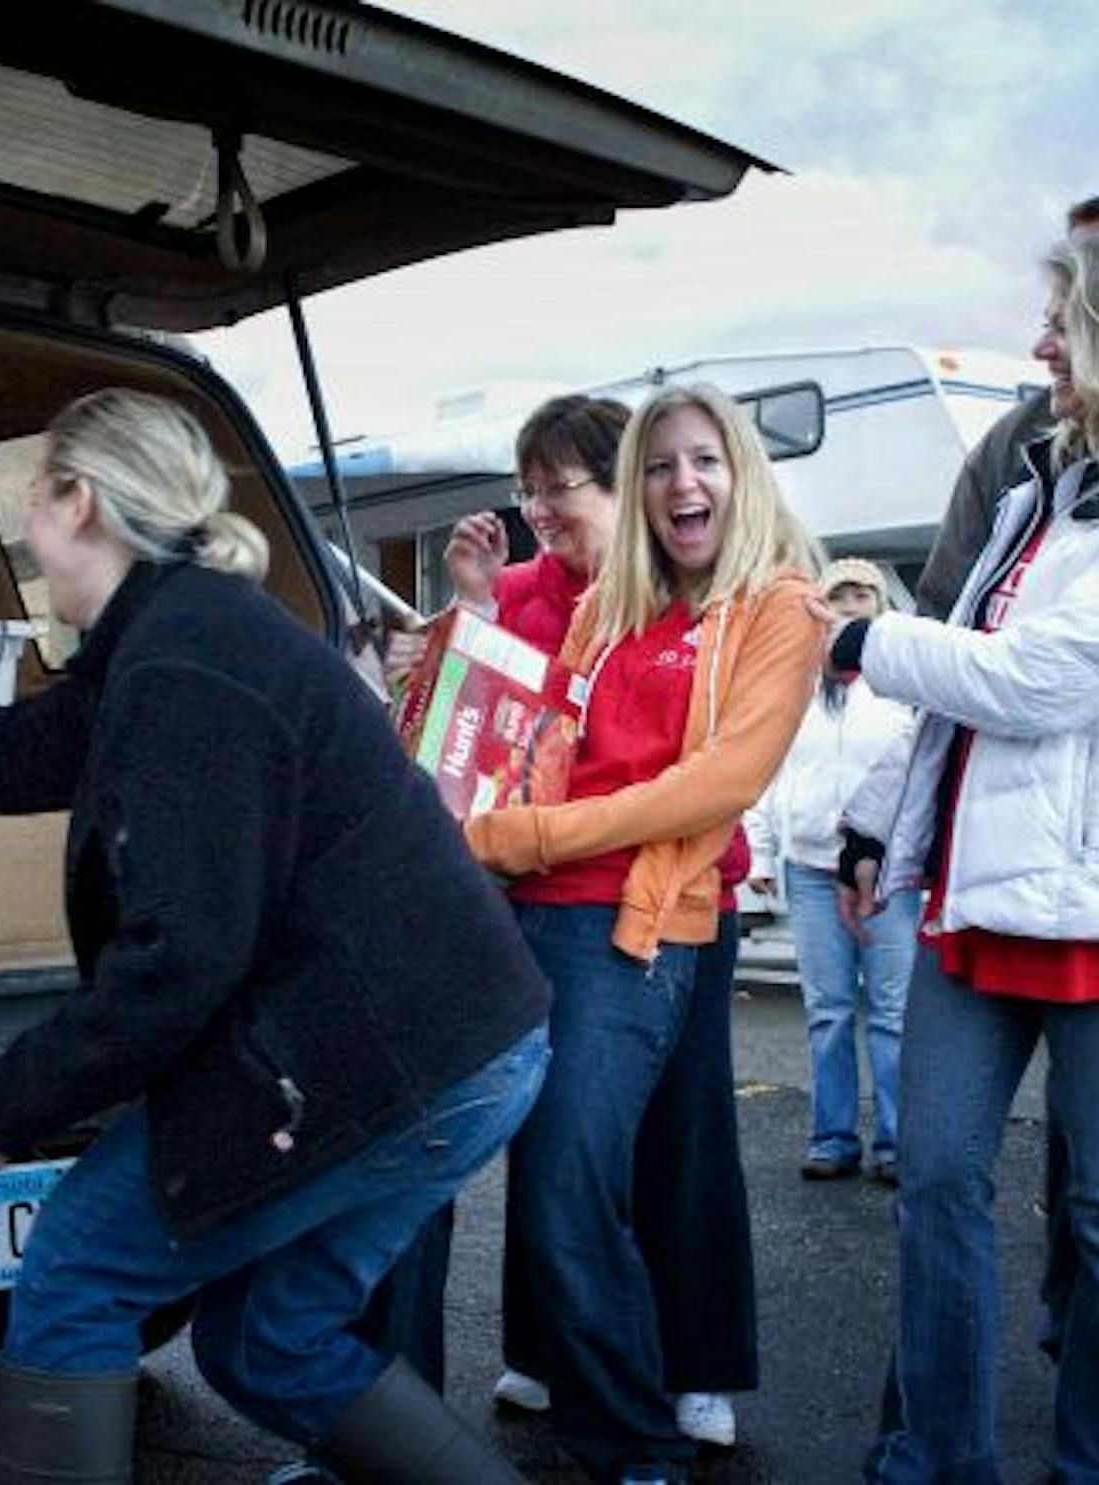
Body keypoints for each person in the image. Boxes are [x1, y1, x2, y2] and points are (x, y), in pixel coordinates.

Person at [0, 388, 552, 1485]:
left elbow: (183, 959)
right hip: (464, 1046)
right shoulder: (166, 636)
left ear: (85, 503)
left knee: (72, 1278)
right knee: (265, 1344)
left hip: (387, 1053)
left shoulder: (186, 665)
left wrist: (17, 1095)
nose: (29, 541)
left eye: (32, 512)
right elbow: (14, 749)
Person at [837, 224, 1099, 1481]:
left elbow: (1039, 682)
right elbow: (954, 701)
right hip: (983, 896)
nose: (1042, 345)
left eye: (1065, 323)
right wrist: (874, 816)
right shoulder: (1041, 493)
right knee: (935, 1184)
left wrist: (861, 642)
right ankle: (936, 1456)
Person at [462, 382, 824, 1485]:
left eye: (703, 461)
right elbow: (544, 735)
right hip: (531, 907)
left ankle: (636, 1431)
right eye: (660, 466)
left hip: (639, 922)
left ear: (741, 474)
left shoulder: (780, 605)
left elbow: (718, 783)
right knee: (553, 1170)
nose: (682, 484)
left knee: (611, 1167)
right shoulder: (603, 607)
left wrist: (527, 833)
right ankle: (603, 1403)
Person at [407, 395, 756, 1450]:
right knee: (555, 1136)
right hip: (533, 893)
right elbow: (460, 731)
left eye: (564, 486)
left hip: (682, 895)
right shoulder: (512, 589)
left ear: (625, 485)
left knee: (681, 1136)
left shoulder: (686, 594)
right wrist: (468, 604)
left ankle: (695, 1366)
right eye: (531, 488)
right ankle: (550, 1351)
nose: (541, 508)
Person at [747, 557, 919, 1185]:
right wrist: (763, 855)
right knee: (827, 1011)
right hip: (811, 870)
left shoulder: (903, 684)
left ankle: (897, 1143)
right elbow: (767, 773)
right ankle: (834, 1138)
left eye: (862, 594)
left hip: (888, 873)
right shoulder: (795, 684)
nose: (850, 604)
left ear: (880, 606)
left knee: (893, 1013)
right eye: (839, 594)